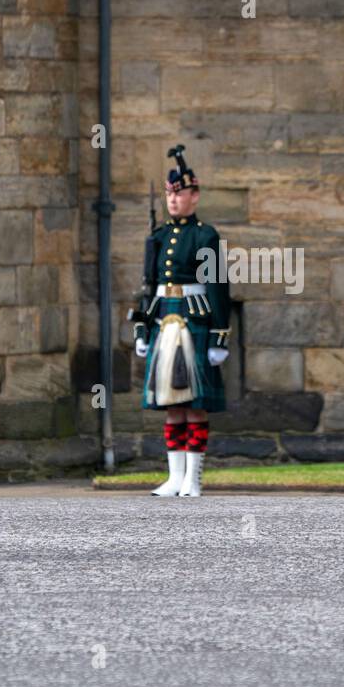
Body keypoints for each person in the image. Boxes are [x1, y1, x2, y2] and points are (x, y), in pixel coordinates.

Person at [135, 146, 230, 498]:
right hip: (165, 319)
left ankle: (193, 478)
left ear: (195, 196)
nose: (173, 200)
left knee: (195, 403)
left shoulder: (206, 235)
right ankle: (174, 477)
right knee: (172, 403)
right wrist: (142, 329)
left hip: (196, 319)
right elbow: (147, 289)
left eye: (180, 194)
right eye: (170, 194)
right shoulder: (159, 236)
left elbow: (218, 287)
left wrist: (220, 337)